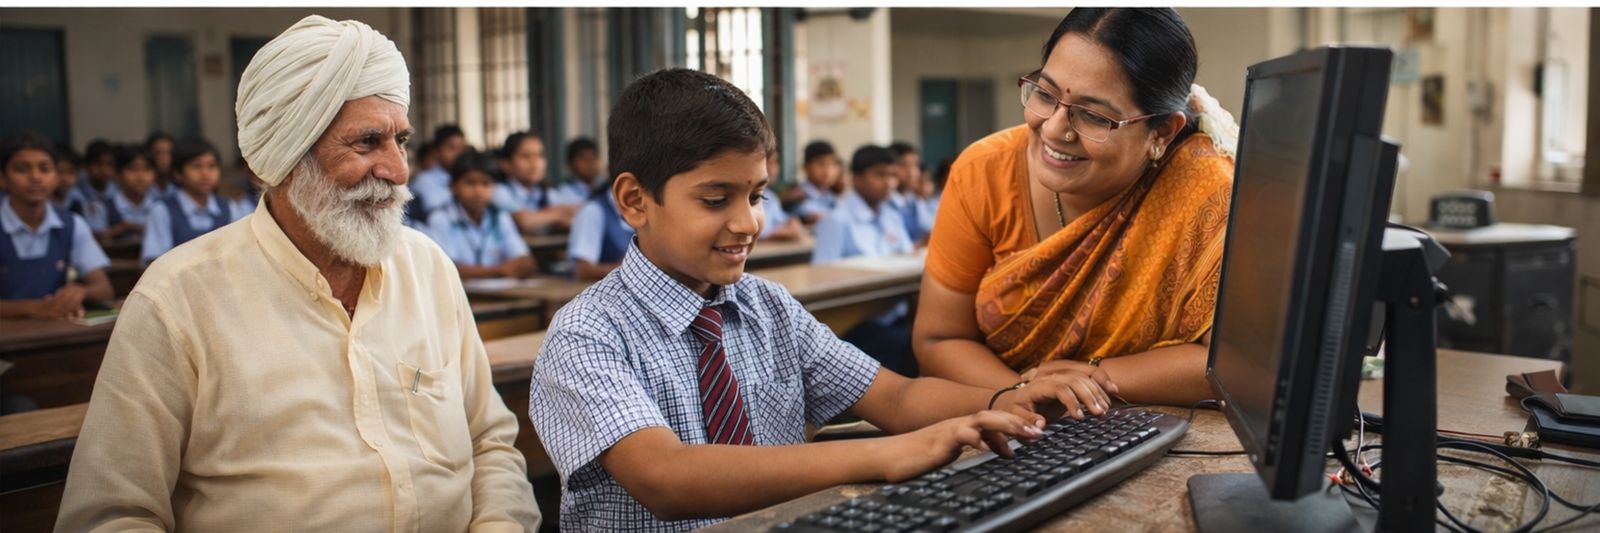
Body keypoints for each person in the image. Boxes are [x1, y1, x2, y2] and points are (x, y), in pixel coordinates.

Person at [528, 67, 1113, 532]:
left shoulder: (769, 308)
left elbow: (898, 396)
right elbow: (667, 477)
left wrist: (1011, 398)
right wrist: (887, 456)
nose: (747, 222)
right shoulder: (588, 335)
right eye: (716, 200)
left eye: (756, 195)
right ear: (633, 200)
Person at [55, 15, 540, 531]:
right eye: (366, 143)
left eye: (401, 140)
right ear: (285, 158)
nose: (397, 170)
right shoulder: (177, 298)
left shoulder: (428, 268)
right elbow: (111, 515)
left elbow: (490, 445)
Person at [912, 8, 1239, 406]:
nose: (1053, 129)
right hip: (1002, 424)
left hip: (1149, 429)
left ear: (1162, 132)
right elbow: (938, 338)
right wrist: (1023, 398)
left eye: (1094, 116)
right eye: (1045, 95)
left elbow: (1230, 363)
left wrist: (1092, 380)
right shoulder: (983, 172)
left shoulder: (1206, 191)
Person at [811, 145, 916, 375]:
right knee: (908, 344)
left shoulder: (891, 214)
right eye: (880, 175)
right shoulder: (837, 220)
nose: (889, 183)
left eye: (892, 175)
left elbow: (909, 258)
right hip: (852, 324)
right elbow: (819, 276)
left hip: (892, 311)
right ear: (856, 178)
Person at [0, 130, 113, 320]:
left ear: (55, 177)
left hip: (52, 335)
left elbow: (104, 289)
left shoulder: (72, 224)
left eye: (45, 169)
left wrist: (81, 291)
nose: (36, 177)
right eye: (22, 169)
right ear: (3, 178)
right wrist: (35, 308)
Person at [427, 152, 538, 279]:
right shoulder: (440, 219)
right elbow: (446, 269)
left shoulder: (499, 216)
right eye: (470, 183)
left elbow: (526, 261)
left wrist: (519, 264)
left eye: (486, 183)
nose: (478, 191)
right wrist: (500, 270)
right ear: (453, 186)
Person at [138, 139, 244, 264]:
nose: (205, 173)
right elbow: (154, 261)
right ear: (178, 173)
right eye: (196, 166)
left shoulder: (229, 207)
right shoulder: (162, 210)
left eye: (212, 166)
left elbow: (241, 253)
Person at [494, 131, 582, 234]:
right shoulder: (500, 191)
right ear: (506, 164)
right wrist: (560, 213)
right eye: (526, 156)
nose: (535, 163)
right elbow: (523, 221)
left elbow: (570, 221)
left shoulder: (547, 192)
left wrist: (546, 217)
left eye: (540, 155)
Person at [96, 144, 159, 243]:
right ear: (118, 174)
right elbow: (96, 238)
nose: (140, 176)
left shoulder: (161, 206)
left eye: (146, 169)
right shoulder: (102, 206)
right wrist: (122, 228)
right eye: (133, 169)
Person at [409, 124, 469, 219]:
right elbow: (433, 207)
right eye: (451, 148)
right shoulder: (425, 180)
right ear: (437, 151)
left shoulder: (468, 178)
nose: (458, 154)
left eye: (461, 148)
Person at [886, 141, 936, 245]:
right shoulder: (883, 202)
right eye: (904, 165)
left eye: (915, 165)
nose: (912, 172)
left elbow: (930, 229)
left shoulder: (915, 200)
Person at [782, 140, 843, 224]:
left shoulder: (831, 197)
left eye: (831, 164)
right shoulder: (797, 196)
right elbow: (814, 216)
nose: (827, 171)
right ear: (806, 167)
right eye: (821, 164)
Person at [758, 150, 806, 242]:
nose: (774, 169)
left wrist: (792, 221)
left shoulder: (770, 196)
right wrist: (772, 234)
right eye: (769, 162)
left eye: (775, 162)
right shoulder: (743, 198)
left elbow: (782, 220)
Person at [145, 132, 175, 198]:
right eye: (158, 153)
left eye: (170, 153)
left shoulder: (180, 189)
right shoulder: (142, 189)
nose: (165, 159)